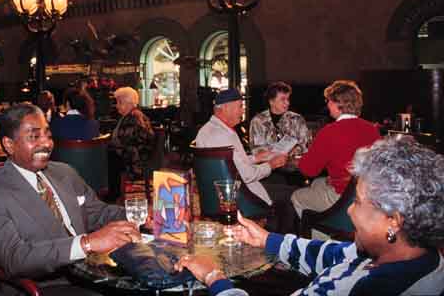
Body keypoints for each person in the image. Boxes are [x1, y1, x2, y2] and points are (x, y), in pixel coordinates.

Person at [174, 137, 444, 296]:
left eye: (358, 203)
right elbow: (334, 254)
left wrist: (213, 277)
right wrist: (268, 240)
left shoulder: (366, 289)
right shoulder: (409, 255)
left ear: (393, 221)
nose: (349, 210)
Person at [0, 103, 140, 295]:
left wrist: (140, 215)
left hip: (93, 271)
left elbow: (96, 212)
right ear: (9, 144)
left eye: (48, 135)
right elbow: (14, 258)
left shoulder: (63, 172)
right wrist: (87, 243)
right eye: (34, 136)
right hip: (44, 287)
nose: (46, 143)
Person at [195, 88, 297, 233]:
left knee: (278, 184)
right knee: (293, 194)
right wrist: (272, 164)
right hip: (239, 198)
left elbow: (230, 164)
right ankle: (278, 246)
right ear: (226, 108)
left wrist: (256, 158)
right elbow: (247, 175)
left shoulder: (206, 131)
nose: (242, 111)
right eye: (240, 106)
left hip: (214, 197)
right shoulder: (224, 136)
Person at [291, 80, 380, 217]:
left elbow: (308, 170)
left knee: (297, 197)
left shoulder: (330, 131)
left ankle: (322, 233)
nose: (327, 105)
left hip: (342, 198)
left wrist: (298, 160)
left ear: (337, 104)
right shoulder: (372, 129)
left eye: (328, 101)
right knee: (317, 183)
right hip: (369, 196)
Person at [108, 87, 155, 199]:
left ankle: (113, 194)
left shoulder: (132, 117)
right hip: (139, 156)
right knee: (110, 154)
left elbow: (124, 141)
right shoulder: (136, 115)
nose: (117, 106)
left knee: (109, 156)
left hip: (135, 160)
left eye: (120, 102)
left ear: (129, 103)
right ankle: (113, 191)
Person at [249, 82, 309, 155]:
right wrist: (272, 155)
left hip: (292, 164)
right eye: (283, 99)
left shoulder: (297, 119)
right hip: (268, 164)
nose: (287, 103)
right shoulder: (258, 121)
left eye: (288, 99)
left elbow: (305, 144)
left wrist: (294, 150)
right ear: (271, 101)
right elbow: (256, 148)